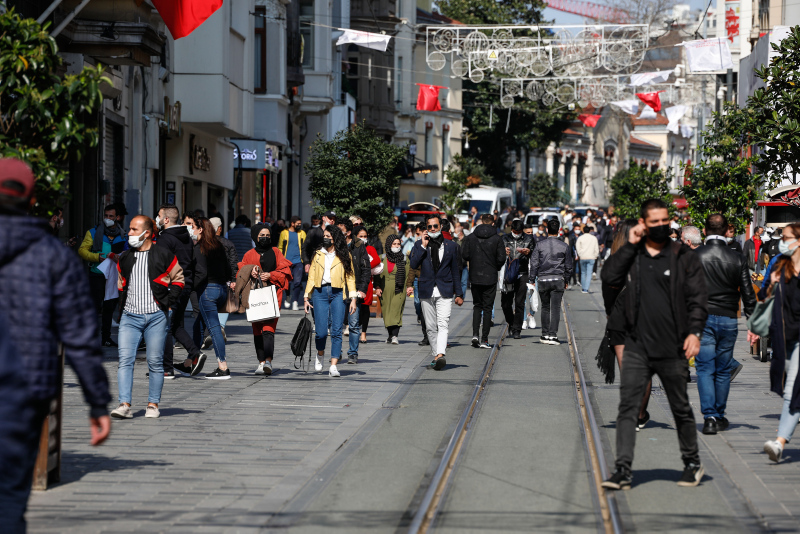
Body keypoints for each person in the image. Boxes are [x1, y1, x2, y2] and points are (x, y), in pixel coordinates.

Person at [0, 159, 111, 531]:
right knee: (10, 496)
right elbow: (79, 335)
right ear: (32, 202)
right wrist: (97, 403)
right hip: (25, 391)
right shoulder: (53, 258)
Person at [601, 199, 708, 491]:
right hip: (636, 343)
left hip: (672, 344)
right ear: (644, 223)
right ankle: (622, 469)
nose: (660, 226)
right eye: (654, 222)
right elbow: (609, 277)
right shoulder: (632, 255)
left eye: (665, 221)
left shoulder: (683, 255)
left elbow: (698, 298)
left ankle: (692, 463)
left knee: (680, 407)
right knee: (627, 407)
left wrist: (694, 333)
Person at [112, 215, 185, 419]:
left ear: (146, 233)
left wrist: (168, 303)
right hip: (129, 317)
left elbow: (179, 279)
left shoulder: (163, 254)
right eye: (129, 229)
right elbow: (121, 283)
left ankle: (153, 404)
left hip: (156, 316)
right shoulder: (125, 257)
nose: (129, 233)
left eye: (134, 230)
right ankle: (124, 404)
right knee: (125, 360)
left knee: (155, 362)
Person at [694, 214, 757, 435]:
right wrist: (753, 321)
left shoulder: (694, 256)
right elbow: (748, 292)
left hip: (701, 318)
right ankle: (719, 416)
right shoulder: (737, 258)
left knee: (704, 368)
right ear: (726, 231)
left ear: (705, 231)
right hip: (729, 318)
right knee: (722, 370)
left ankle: (709, 416)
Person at [751, 223, 800, 462]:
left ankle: (779, 443)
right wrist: (755, 328)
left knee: (792, 389)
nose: (782, 241)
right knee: (790, 386)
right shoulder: (781, 265)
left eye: (787, 237)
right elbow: (764, 296)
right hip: (784, 336)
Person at [155, 204, 204, 379]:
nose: (157, 219)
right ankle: (194, 352)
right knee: (175, 325)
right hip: (185, 285)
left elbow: (160, 264)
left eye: (159, 215)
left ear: (166, 219)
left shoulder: (165, 239)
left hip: (170, 287)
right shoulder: (186, 237)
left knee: (165, 327)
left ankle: (167, 368)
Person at [183, 217, 236, 380]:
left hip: (207, 291)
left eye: (192, 226)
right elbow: (228, 269)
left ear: (200, 230)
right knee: (199, 325)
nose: (190, 229)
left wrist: (190, 287)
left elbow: (200, 273)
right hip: (220, 289)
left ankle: (223, 367)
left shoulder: (200, 247)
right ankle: (191, 360)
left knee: (213, 329)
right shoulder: (218, 246)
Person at [409, 215, 464, 370]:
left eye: (435, 226)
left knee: (443, 323)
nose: (432, 229)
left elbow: (455, 271)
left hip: (445, 290)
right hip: (426, 289)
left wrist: (459, 293)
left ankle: (440, 353)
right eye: (430, 227)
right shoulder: (420, 245)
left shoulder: (451, 246)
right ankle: (436, 354)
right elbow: (413, 264)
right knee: (431, 327)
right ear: (426, 228)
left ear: (440, 227)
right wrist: (423, 246)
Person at [237, 224, 292, 375]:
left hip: (273, 295)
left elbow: (285, 271)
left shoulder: (276, 252)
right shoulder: (249, 254)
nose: (265, 238)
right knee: (256, 329)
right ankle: (261, 362)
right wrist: (251, 271)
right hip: (254, 295)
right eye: (262, 235)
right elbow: (241, 271)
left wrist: (270, 275)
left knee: (269, 328)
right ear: (255, 236)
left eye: (268, 235)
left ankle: (268, 361)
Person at [304, 225, 357, 377]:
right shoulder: (318, 254)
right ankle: (320, 354)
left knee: (336, 330)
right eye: (324, 236)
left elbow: (350, 277)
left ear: (335, 238)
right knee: (320, 332)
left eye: (328, 236)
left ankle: (333, 365)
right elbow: (312, 277)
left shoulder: (344, 254)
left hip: (338, 293)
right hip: (320, 293)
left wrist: (353, 298)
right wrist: (306, 296)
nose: (325, 238)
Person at [78, 204, 128, 346]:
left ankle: (105, 337)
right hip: (97, 274)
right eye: (106, 216)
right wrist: (96, 257)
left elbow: (127, 253)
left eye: (111, 216)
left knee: (109, 308)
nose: (108, 219)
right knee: (94, 307)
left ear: (117, 217)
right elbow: (82, 251)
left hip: (113, 277)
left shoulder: (123, 235)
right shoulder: (93, 233)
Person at [461, 213, 506, 348]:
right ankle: (485, 340)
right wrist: (495, 267)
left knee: (477, 306)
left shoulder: (471, 237)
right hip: (490, 277)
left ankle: (475, 335)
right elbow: (501, 258)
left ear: (481, 221)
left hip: (475, 276)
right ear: (493, 223)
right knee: (487, 308)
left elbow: (465, 255)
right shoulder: (497, 239)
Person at [529, 219, 573, 345]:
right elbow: (568, 266)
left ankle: (544, 334)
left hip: (543, 279)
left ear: (547, 230)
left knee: (545, 307)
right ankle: (553, 335)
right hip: (558, 279)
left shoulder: (540, 245)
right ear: (559, 230)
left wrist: (532, 279)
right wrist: (567, 279)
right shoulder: (564, 246)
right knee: (555, 308)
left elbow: (534, 263)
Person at [338, 219, 370, 362]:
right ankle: (336, 351)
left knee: (354, 323)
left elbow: (366, 269)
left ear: (348, 232)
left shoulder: (359, 245)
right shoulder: (335, 245)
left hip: (353, 290)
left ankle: (352, 353)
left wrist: (362, 289)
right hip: (337, 289)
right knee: (337, 324)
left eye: (341, 229)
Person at [501, 219, 535, 339]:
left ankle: (517, 329)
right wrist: (503, 252)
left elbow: (535, 255)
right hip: (508, 273)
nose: (517, 233)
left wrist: (528, 252)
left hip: (522, 272)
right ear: (512, 230)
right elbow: (497, 255)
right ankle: (511, 322)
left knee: (520, 303)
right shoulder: (504, 239)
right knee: (505, 303)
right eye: (515, 231)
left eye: (520, 231)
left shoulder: (529, 239)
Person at [375, 235, 409, 344]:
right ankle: (390, 335)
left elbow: (408, 275)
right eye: (394, 244)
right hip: (385, 288)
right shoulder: (381, 258)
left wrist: (409, 287)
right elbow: (376, 274)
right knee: (387, 311)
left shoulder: (404, 259)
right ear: (389, 245)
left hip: (399, 288)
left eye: (398, 244)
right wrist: (378, 287)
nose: (396, 246)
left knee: (396, 311)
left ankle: (395, 336)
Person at [353, 225, 381, 344]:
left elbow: (377, 260)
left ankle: (363, 333)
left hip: (366, 281)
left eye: (365, 236)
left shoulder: (370, 248)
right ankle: (353, 328)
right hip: (353, 282)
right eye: (361, 236)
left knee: (365, 308)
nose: (363, 238)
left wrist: (365, 268)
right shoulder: (352, 248)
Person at [278, 216, 306, 311]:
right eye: (297, 223)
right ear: (292, 223)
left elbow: (304, 247)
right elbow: (280, 247)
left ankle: (295, 302)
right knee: (287, 282)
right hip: (286, 262)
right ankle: (288, 296)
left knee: (297, 282)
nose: (299, 225)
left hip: (298, 261)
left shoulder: (302, 233)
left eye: (300, 223)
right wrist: (280, 260)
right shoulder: (284, 233)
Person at [576, 224, 600, 294]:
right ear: (590, 231)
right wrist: (595, 255)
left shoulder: (580, 238)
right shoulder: (594, 238)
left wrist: (580, 254)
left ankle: (583, 288)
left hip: (583, 257)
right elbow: (596, 248)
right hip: (591, 257)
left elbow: (578, 247)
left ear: (583, 231)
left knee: (583, 273)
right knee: (589, 273)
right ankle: (586, 288)